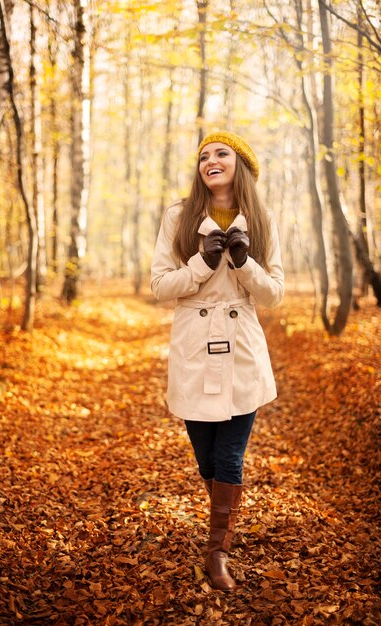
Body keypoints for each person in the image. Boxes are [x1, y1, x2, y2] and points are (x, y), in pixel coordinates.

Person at [150, 131, 284, 591]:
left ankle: (217, 552)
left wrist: (245, 263)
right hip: (193, 345)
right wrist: (200, 265)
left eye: (221, 153)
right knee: (205, 458)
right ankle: (223, 523)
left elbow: (275, 294)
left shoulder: (262, 219)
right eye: (204, 155)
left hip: (241, 346)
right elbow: (160, 287)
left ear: (240, 163)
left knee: (230, 455)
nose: (210, 160)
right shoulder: (178, 216)